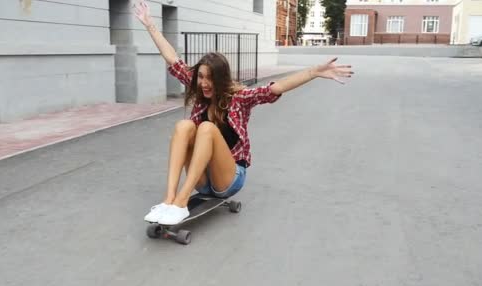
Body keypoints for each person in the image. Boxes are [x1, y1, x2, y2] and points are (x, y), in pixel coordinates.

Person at [133, 0, 353, 225]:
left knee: (207, 128)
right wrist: (149, 24)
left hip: (228, 178)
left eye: (211, 79)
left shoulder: (239, 98)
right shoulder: (197, 86)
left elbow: (275, 88)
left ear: (222, 79)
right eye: (201, 77)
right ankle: (169, 199)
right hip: (202, 179)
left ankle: (181, 202)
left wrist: (313, 72)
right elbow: (173, 59)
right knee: (184, 126)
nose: (205, 84)